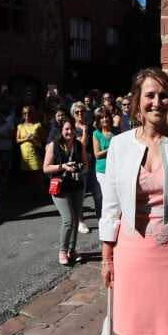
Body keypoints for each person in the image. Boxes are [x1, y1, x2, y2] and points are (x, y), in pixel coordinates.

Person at [99, 67, 168, 335]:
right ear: (137, 102)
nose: (157, 102)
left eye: (164, 95)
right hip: (131, 251)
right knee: (135, 330)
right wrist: (107, 258)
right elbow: (110, 205)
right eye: (150, 95)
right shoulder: (120, 145)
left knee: (167, 329)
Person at [43, 117, 88, 265]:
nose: (70, 132)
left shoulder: (79, 145)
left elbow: (86, 166)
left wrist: (79, 169)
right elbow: (46, 168)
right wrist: (63, 167)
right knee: (68, 220)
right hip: (60, 188)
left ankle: (72, 250)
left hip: (76, 186)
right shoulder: (53, 146)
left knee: (75, 220)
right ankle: (62, 251)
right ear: (61, 131)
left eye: (72, 129)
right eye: (66, 129)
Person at [71, 101, 91, 234]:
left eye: (82, 111)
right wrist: (84, 131)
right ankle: (80, 221)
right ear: (73, 114)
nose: (80, 114)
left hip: (91, 163)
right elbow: (82, 145)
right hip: (79, 165)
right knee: (80, 194)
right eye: (77, 112)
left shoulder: (90, 126)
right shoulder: (72, 129)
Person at [16, 105, 45, 194]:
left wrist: (36, 137)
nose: (27, 115)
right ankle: (32, 192)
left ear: (32, 114)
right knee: (29, 175)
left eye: (29, 113)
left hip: (35, 152)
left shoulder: (37, 125)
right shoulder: (20, 126)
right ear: (22, 115)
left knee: (39, 173)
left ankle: (43, 192)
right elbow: (17, 140)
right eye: (25, 113)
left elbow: (44, 138)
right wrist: (26, 139)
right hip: (25, 154)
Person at [92, 107, 116, 192]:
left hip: (115, 168)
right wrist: (111, 149)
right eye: (102, 118)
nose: (105, 119)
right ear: (98, 120)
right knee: (107, 195)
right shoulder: (96, 134)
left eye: (106, 117)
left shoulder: (116, 132)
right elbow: (97, 154)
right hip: (102, 169)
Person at [0, 108, 15, 189]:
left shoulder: (9, 124)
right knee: (0, 166)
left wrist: (4, 136)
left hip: (7, 147)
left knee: (7, 166)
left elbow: (13, 135)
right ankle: (4, 180)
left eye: (2, 115)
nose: (0, 117)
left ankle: (6, 182)